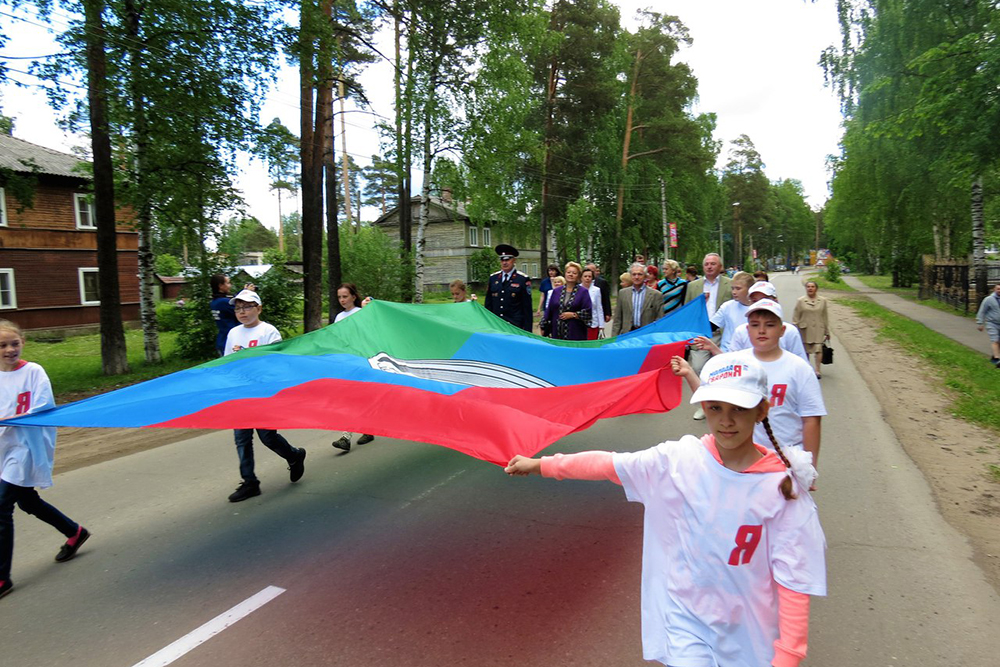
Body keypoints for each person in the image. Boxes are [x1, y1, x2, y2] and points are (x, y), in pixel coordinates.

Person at [504, 353, 826, 667]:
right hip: (685, 620)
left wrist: (788, 655)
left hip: (748, 636)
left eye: (739, 409)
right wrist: (543, 465)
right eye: (715, 408)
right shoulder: (677, 461)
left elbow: (794, 581)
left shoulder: (783, 491)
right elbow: (608, 463)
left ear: (761, 411)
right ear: (703, 407)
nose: (726, 420)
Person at [1, 319, 90, 600]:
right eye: (2, 345)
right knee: (27, 500)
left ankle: (2, 577)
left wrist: (10, 419)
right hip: (4, 448)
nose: (9, 350)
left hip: (27, 448)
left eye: (14, 343)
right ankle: (74, 531)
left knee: (1, 506)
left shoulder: (34, 372)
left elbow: (43, 407)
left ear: (23, 343)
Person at [691, 299, 826, 472]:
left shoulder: (799, 368)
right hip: (741, 459)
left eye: (769, 325)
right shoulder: (737, 363)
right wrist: (689, 372)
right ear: (747, 329)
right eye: (755, 325)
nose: (761, 331)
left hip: (784, 460)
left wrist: (810, 467)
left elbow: (812, 419)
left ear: (782, 330)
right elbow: (710, 400)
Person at [224, 289, 307, 502]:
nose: (242, 311)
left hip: (263, 394)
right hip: (241, 395)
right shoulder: (233, 333)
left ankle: (294, 455)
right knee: (241, 439)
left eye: (247, 306)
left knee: (267, 436)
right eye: (238, 307)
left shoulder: (268, 332)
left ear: (258, 308)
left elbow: (276, 363)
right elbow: (227, 362)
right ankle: (250, 482)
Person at [684, 253, 732, 420]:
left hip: (722, 334)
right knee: (698, 368)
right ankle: (703, 406)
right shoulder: (693, 286)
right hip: (701, 333)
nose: (710, 266)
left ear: (720, 267)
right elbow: (688, 310)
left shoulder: (730, 284)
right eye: (707, 264)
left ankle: (724, 403)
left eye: (713, 264)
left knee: (723, 369)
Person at [332, 284, 376, 451]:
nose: (342, 300)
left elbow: (368, 331)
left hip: (360, 359)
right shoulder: (339, 317)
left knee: (354, 398)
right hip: (346, 361)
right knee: (352, 398)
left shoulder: (360, 312)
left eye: (345, 296)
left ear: (353, 297)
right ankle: (367, 430)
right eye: (339, 297)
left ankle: (347, 436)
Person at [728, 282, 808, 362]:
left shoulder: (790, 332)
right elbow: (732, 364)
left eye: (765, 300)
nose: (760, 304)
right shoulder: (740, 332)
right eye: (754, 301)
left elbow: (801, 362)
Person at [484, 244, 533, 332]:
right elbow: (488, 304)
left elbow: (527, 308)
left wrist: (527, 331)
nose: (504, 262)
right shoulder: (493, 278)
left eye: (507, 259)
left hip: (515, 326)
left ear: (514, 260)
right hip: (497, 325)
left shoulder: (522, 279)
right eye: (502, 259)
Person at [541, 262, 592, 341]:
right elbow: (549, 310)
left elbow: (588, 312)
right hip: (557, 333)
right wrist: (543, 325)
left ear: (578, 276)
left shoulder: (583, 292)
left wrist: (574, 315)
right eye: (568, 272)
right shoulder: (556, 291)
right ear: (565, 274)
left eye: (574, 273)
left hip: (576, 333)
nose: (571, 274)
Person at [611, 263, 664, 336]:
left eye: (640, 274)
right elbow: (617, 319)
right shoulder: (623, 293)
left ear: (645, 276)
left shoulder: (656, 295)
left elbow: (660, 319)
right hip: (627, 334)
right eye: (634, 274)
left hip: (646, 335)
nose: (636, 277)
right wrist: (613, 339)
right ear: (630, 276)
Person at [793, 281, 831, 378]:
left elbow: (825, 316)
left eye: (812, 287)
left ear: (816, 289)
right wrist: (794, 329)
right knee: (806, 350)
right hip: (805, 329)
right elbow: (796, 316)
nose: (810, 288)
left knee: (818, 349)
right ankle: (807, 369)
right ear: (806, 288)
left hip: (819, 328)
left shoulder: (822, 301)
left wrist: (827, 331)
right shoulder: (801, 301)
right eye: (808, 287)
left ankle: (817, 370)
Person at [710, 271, 754, 352]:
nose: (734, 292)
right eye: (732, 288)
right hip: (728, 352)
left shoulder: (759, 308)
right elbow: (711, 326)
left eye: (738, 288)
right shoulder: (727, 306)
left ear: (750, 289)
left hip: (750, 353)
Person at [210, 274, 239, 357]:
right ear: (221, 286)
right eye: (228, 283)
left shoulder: (214, 302)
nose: (230, 285)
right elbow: (243, 309)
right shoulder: (224, 302)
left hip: (222, 339)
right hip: (231, 341)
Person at [975, 283, 1000, 367]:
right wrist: (980, 323)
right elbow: (982, 311)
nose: (999, 291)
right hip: (992, 323)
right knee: (995, 340)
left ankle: (994, 356)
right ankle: (997, 359)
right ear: (994, 289)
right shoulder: (989, 299)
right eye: (998, 289)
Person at [580, 267, 605, 340]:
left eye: (589, 276)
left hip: (593, 323)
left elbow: (599, 308)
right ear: (581, 278)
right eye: (585, 276)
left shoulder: (596, 290)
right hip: (579, 323)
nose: (587, 278)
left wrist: (601, 326)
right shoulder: (577, 289)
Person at [586, 263, 613, 328]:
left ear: (595, 271)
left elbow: (605, 298)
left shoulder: (602, 282)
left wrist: (607, 313)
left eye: (592, 271)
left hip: (598, 311)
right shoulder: (580, 283)